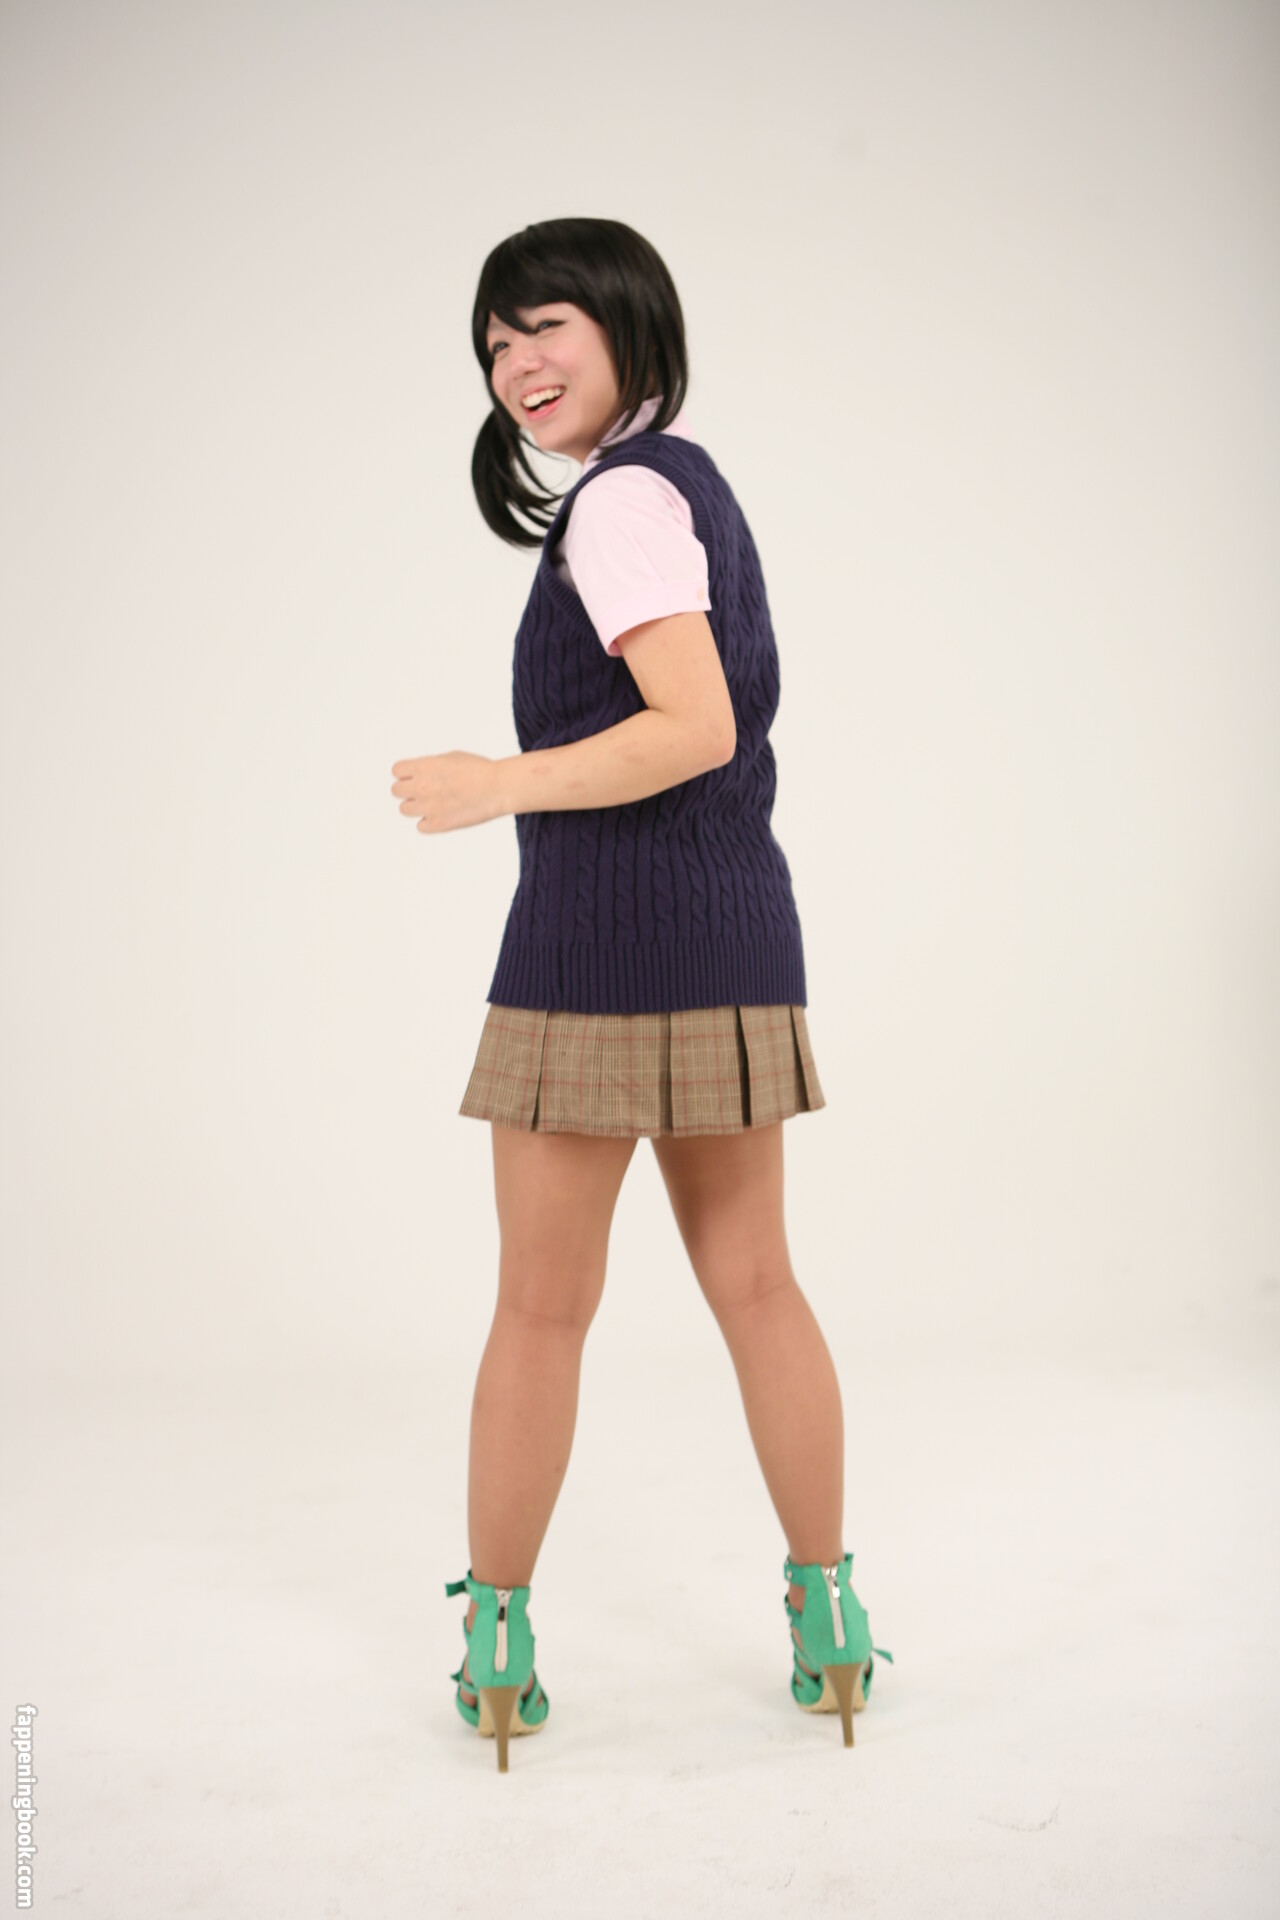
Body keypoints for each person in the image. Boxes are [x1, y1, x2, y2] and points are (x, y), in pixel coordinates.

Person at [390, 218, 891, 1773]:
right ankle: (830, 1620)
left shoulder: (619, 502)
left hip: (594, 952)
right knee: (761, 1287)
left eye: (543, 324)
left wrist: (496, 781)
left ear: (626, 322)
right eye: (494, 344)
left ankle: (497, 1639)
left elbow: (694, 724)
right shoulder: (688, 486)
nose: (515, 363)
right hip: (733, 942)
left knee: (542, 1309)